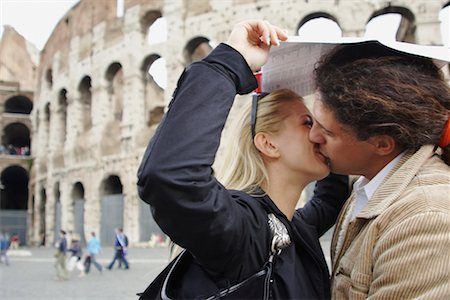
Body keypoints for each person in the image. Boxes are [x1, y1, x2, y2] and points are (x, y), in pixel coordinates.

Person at [137, 20, 350, 299]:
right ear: (268, 143)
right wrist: (229, 62)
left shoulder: (297, 229)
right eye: (307, 122)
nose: (319, 132)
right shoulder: (242, 231)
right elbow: (172, 176)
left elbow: (330, 199)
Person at [309, 42, 450, 298]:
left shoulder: (426, 219)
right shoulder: (371, 185)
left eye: (327, 131)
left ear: (382, 144)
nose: (313, 136)